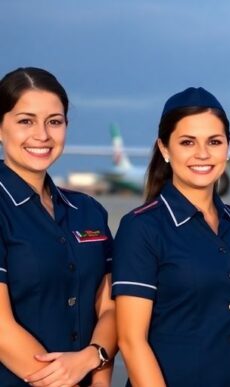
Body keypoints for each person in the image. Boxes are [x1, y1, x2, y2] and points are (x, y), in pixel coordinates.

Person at [112, 87, 230, 386]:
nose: (203, 154)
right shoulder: (142, 228)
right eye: (187, 142)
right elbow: (132, 342)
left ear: (228, 147)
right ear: (165, 149)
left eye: (214, 142)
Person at [0, 67, 116, 386]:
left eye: (55, 121)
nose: (42, 135)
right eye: (26, 121)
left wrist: (95, 360)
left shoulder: (88, 211)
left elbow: (108, 306)